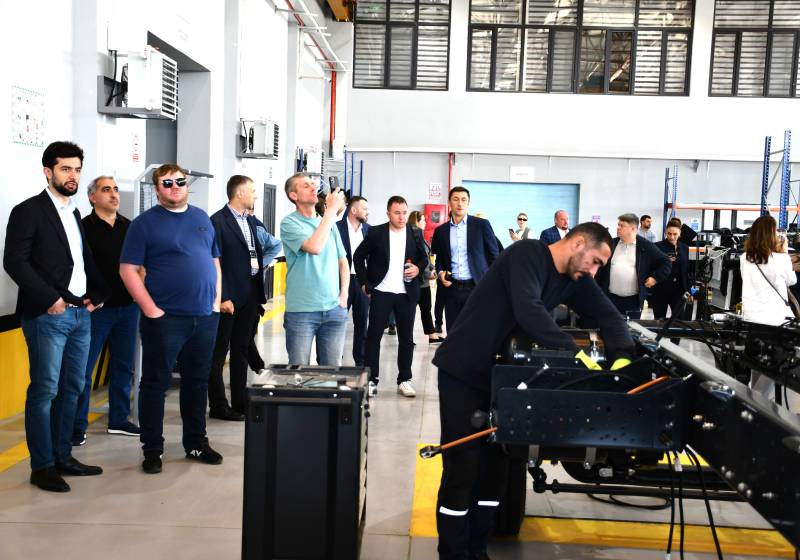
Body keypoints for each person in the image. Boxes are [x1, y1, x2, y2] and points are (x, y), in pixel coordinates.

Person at [432, 222, 635, 560]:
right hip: (464, 373)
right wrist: (576, 355)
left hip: (506, 382)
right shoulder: (527, 254)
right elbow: (529, 311)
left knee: (496, 473)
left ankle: (477, 550)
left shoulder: (575, 279)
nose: (594, 272)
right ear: (578, 243)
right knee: (462, 469)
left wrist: (623, 362)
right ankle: (453, 554)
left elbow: (610, 317)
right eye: (595, 261)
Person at [4, 141, 107, 492]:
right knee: (45, 390)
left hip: (80, 314)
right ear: (48, 172)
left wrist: (98, 295)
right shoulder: (28, 211)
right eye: (65, 169)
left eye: (77, 169)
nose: (72, 175)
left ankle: (63, 456)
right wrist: (50, 298)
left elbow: (81, 261)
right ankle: (43, 466)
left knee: (73, 388)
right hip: (48, 315)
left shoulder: (74, 212)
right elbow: (14, 261)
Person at [120, 164, 223, 475]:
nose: (175, 187)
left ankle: (196, 443)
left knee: (197, 381)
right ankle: (152, 449)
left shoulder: (202, 218)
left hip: (204, 316)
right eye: (167, 183)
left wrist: (215, 303)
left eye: (180, 181)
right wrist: (151, 309)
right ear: (157, 190)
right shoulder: (144, 224)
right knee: (155, 383)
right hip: (165, 319)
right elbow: (128, 270)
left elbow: (214, 261)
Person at [73, 176, 140, 446]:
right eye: (106, 190)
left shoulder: (129, 227)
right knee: (83, 370)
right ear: (93, 197)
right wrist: (88, 298)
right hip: (96, 311)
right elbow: (76, 266)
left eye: (115, 190)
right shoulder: (83, 228)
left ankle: (119, 420)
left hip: (128, 308)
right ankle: (77, 427)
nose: (114, 195)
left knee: (123, 366)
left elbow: (139, 264)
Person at [354, 196, 428, 398]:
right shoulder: (376, 233)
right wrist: (364, 282)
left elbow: (424, 258)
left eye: (404, 212)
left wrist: (417, 268)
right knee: (373, 337)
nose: (402, 217)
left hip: (406, 293)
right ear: (388, 214)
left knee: (406, 338)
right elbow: (358, 256)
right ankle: (371, 380)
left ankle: (404, 380)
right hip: (381, 292)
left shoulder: (415, 233)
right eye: (397, 213)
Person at [206, 175, 267, 422]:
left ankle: (240, 402)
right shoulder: (217, 221)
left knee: (241, 349)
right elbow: (214, 262)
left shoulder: (249, 221)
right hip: (228, 297)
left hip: (249, 294)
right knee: (219, 352)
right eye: (252, 190)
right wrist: (222, 297)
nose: (255, 195)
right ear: (239, 193)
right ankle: (218, 405)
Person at [280, 173, 349, 365]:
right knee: (299, 370)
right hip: (302, 311)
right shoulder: (289, 223)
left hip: (334, 309)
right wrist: (330, 212)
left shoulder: (329, 223)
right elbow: (314, 247)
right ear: (294, 195)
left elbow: (343, 261)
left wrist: (343, 295)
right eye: (306, 186)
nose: (313, 188)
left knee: (332, 371)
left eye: (313, 184)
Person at [741, 215, 797, 400]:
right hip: (774, 321)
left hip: (751, 319)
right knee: (773, 366)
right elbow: (792, 280)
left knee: (757, 364)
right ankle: (756, 403)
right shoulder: (780, 259)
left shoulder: (744, 258)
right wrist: (784, 253)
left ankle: (752, 398)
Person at [431, 187, 499, 329]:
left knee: (476, 330)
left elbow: (494, 256)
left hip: (476, 287)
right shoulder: (441, 231)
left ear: (469, 203)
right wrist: (440, 272)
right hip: (452, 289)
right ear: (449, 202)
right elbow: (439, 259)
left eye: (463, 200)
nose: (460, 203)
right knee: (453, 331)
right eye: (455, 199)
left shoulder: (481, 225)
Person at [596, 213, 671, 320]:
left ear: (632, 228)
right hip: (610, 298)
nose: (618, 228)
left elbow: (666, 262)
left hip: (633, 301)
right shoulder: (611, 244)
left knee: (632, 329)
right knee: (609, 327)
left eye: (622, 225)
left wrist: (655, 278)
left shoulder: (646, 246)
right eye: (618, 225)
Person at [336, 195, 371, 366]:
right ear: (354, 210)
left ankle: (361, 362)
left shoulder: (369, 230)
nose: (367, 212)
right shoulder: (337, 228)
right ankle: (335, 359)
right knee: (337, 322)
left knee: (362, 324)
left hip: (362, 282)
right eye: (365, 208)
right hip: (341, 282)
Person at [409, 211, 444, 344]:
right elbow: (416, 260)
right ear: (416, 221)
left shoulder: (421, 237)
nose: (425, 222)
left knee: (426, 309)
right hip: (416, 282)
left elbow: (427, 259)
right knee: (411, 311)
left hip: (424, 282)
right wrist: (428, 274)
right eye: (423, 220)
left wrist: (433, 269)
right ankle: (408, 337)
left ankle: (432, 335)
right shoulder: (413, 239)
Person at [651, 222, 691, 320]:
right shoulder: (657, 246)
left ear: (680, 233)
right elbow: (651, 266)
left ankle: (676, 332)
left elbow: (687, 271)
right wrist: (665, 261)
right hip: (661, 289)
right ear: (665, 233)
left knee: (679, 319)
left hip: (679, 290)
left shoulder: (685, 248)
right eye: (669, 234)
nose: (672, 237)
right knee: (659, 319)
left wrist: (689, 290)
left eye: (675, 234)